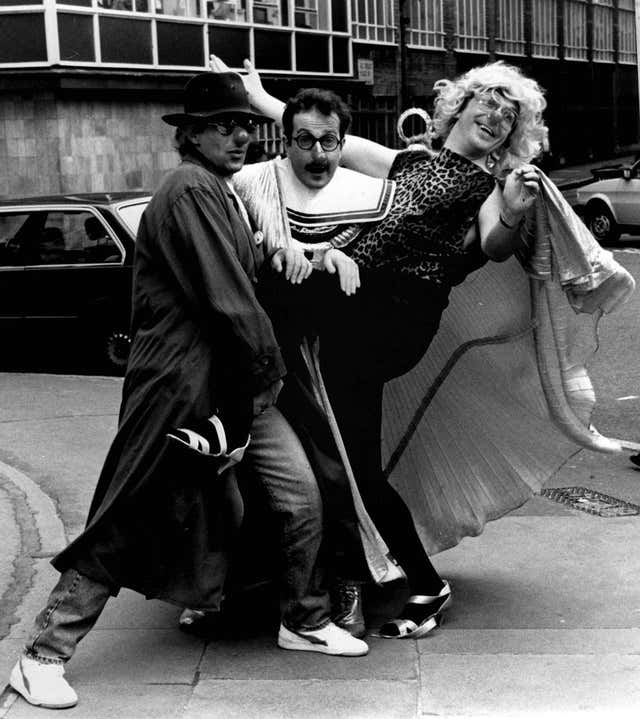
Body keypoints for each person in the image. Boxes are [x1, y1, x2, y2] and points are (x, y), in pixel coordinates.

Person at [8, 71, 369, 712]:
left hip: (233, 387)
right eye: (224, 126)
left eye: (245, 125)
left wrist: (303, 256)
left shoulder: (220, 191)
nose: (240, 136)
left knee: (299, 494)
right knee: (128, 514)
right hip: (178, 386)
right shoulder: (189, 191)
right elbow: (230, 299)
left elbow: (253, 268)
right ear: (192, 134)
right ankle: (42, 656)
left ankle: (304, 619)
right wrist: (272, 376)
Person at [210, 56, 544, 639]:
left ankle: (378, 579)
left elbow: (492, 243)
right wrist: (258, 93)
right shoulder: (409, 161)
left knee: (283, 301)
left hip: (392, 318)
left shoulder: (489, 188)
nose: (494, 116)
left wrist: (514, 213)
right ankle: (391, 576)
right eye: (485, 103)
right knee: (350, 463)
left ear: (511, 136)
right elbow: (321, 131)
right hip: (352, 308)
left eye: (507, 116)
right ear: (457, 109)